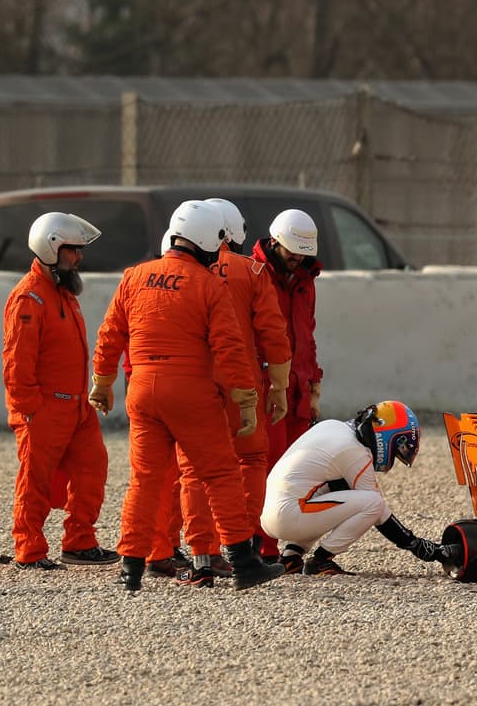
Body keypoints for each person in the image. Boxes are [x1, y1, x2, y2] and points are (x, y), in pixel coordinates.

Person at [90, 200, 284, 592]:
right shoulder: (209, 284)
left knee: (144, 481)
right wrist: (246, 401)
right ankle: (244, 564)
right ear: (207, 240)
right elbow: (230, 349)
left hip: (143, 391)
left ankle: (130, 569)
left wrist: (102, 380)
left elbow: (110, 334)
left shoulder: (134, 276)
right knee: (221, 474)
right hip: (192, 393)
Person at [159, 199, 294, 587]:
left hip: (194, 380)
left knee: (194, 470)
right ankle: (245, 549)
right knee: (250, 461)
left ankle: (203, 556)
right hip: (242, 378)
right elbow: (273, 333)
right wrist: (280, 387)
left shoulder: (174, 271)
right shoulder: (250, 271)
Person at [1, 213, 118, 570]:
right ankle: (30, 550)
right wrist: (29, 409)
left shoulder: (62, 292)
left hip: (76, 406)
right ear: (51, 249)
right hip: (45, 408)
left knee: (92, 469)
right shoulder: (29, 298)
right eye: (73, 251)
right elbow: (16, 361)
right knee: (34, 480)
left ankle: (79, 542)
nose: (79, 258)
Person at [260, 400, 457, 575]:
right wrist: (419, 546)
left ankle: (290, 559)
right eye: (400, 448)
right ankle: (320, 561)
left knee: (335, 490)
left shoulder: (333, 426)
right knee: (372, 503)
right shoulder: (355, 451)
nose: (395, 457)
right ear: (388, 436)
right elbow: (380, 513)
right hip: (287, 517)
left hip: (270, 513)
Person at [251, 208, 324, 562]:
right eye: (292, 251)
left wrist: (313, 386)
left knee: (299, 469)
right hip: (267, 387)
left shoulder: (306, 278)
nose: (297, 258)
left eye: (303, 253)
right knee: (265, 467)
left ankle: (291, 547)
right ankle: (260, 547)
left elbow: (307, 336)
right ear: (276, 241)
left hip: (298, 388)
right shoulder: (253, 275)